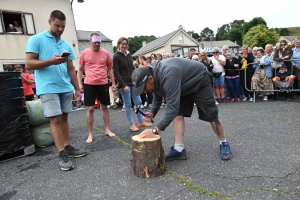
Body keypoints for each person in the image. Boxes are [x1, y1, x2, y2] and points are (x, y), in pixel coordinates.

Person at [132, 58, 232, 161]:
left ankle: (223, 143)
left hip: (199, 80)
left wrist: (155, 130)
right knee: (178, 115)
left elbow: (172, 108)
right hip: (182, 83)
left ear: (151, 79)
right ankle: (179, 149)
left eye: (144, 88)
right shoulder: (153, 75)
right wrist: (153, 112)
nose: (144, 91)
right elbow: (157, 95)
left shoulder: (169, 75)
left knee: (211, 115)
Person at [25, 10, 86, 171]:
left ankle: (67, 147)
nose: (60, 29)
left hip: (65, 86)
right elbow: (29, 64)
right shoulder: (36, 39)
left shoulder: (66, 44)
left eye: (63, 26)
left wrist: (77, 88)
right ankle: (61, 154)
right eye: (57, 25)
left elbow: (71, 69)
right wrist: (51, 61)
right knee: (55, 119)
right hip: (47, 87)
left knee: (65, 117)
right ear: (49, 22)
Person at [77, 33, 116, 143]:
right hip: (89, 83)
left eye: (98, 42)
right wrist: (80, 84)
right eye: (95, 42)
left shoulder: (105, 53)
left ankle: (107, 129)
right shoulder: (84, 53)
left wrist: (113, 82)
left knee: (105, 106)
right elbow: (79, 69)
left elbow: (110, 68)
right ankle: (90, 134)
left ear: (100, 42)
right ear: (90, 41)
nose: (97, 44)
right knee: (91, 108)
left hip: (103, 83)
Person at [113, 37, 151, 131]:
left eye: (126, 44)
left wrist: (135, 79)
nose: (124, 46)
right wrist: (123, 84)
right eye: (123, 44)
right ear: (119, 44)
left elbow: (132, 69)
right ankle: (132, 124)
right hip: (123, 84)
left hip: (132, 82)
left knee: (138, 102)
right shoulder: (116, 56)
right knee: (128, 104)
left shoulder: (129, 55)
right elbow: (116, 72)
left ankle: (140, 121)